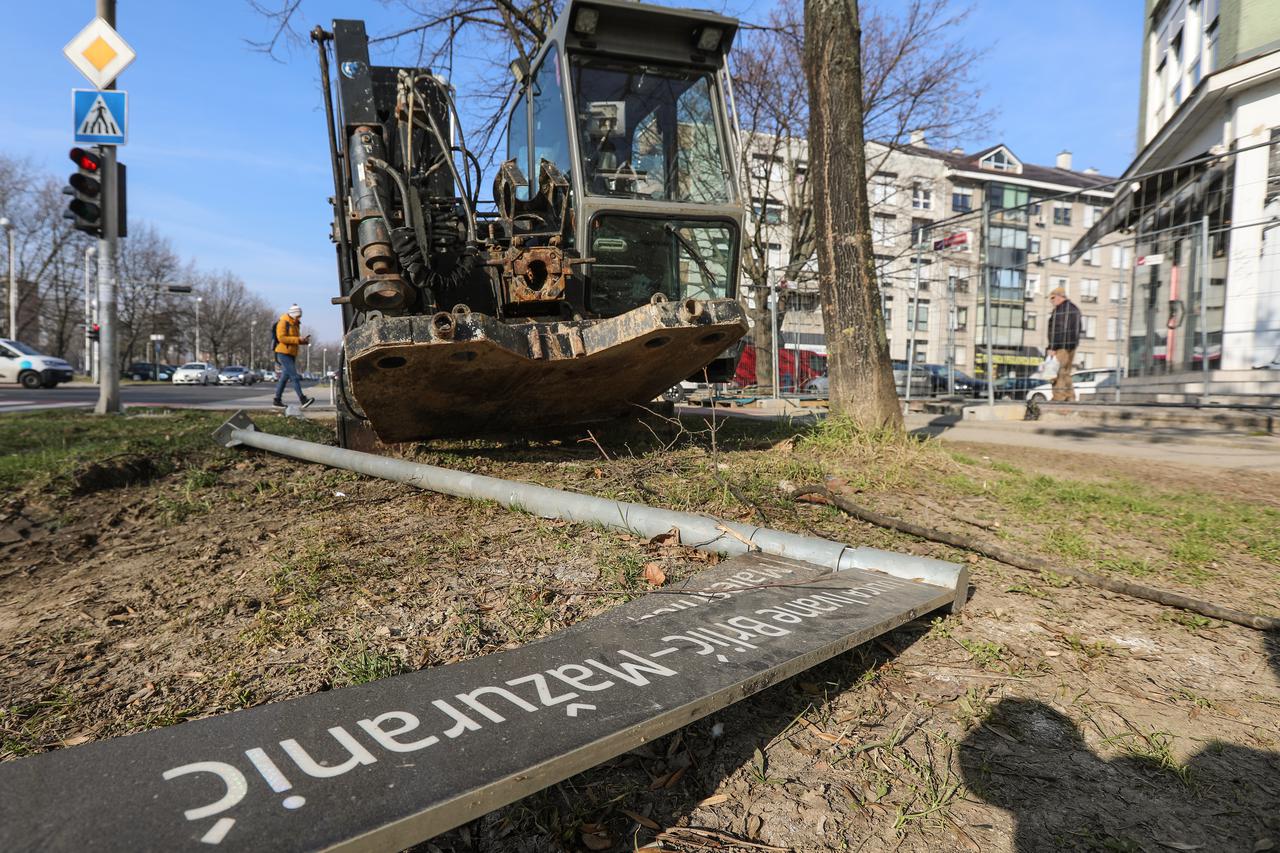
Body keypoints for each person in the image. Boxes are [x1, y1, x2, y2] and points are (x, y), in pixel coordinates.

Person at [273, 304, 314, 409]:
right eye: (298, 316)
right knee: (294, 376)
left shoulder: (295, 324)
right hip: (283, 353)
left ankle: (277, 400)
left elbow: (294, 339)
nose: (299, 318)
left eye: (300, 316)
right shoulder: (283, 322)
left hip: (291, 353)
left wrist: (303, 341)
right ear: (293, 314)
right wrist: (298, 339)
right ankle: (303, 399)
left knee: (284, 378)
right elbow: (281, 338)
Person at [1046, 286, 1082, 402]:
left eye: (1052, 298)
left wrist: (1052, 347)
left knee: (1057, 371)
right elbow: (1079, 329)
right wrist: (1074, 344)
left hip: (1061, 346)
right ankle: (1070, 396)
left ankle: (1059, 397)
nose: (1051, 301)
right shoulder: (1075, 309)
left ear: (1059, 297)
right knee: (1066, 372)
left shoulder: (1060, 310)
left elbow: (1058, 329)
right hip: (1072, 346)